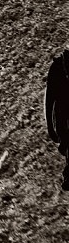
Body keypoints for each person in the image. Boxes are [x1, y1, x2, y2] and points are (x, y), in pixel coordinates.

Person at [45, 46, 69, 191]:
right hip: (64, 121)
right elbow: (49, 100)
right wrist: (50, 126)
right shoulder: (57, 68)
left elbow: (49, 100)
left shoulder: (57, 67)